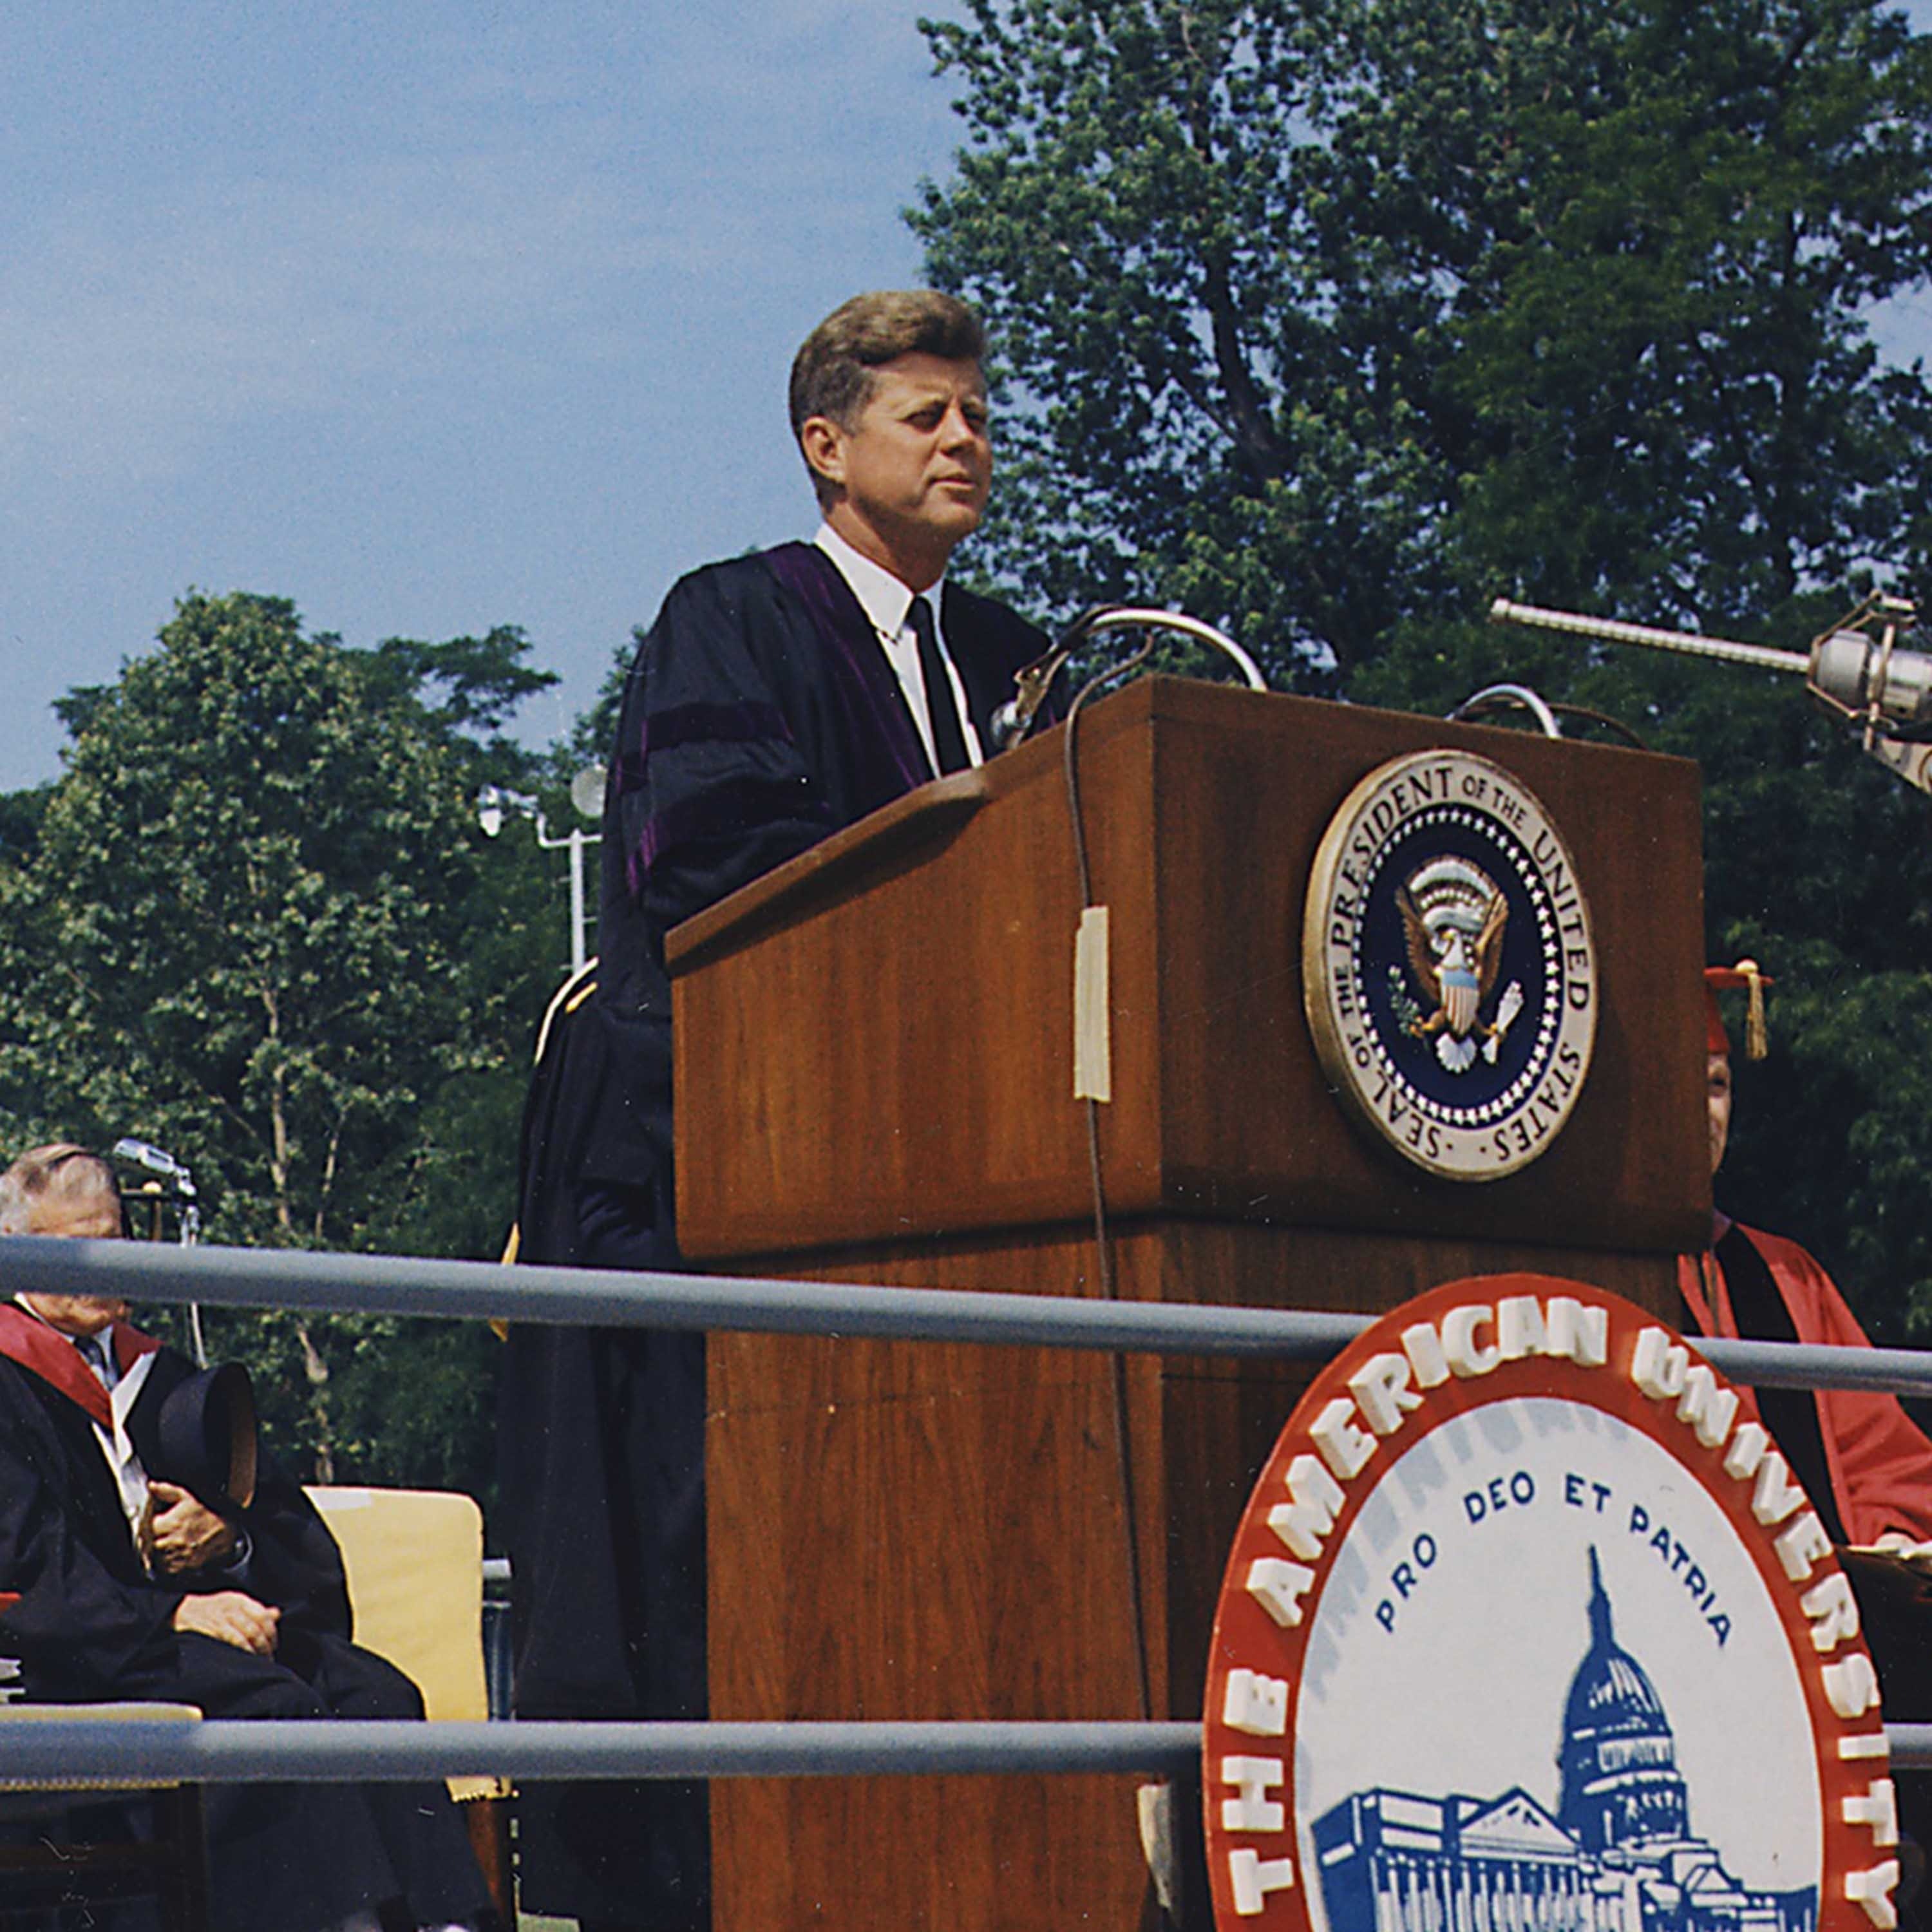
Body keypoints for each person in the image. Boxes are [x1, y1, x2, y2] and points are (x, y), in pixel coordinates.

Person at [498, 290, 1053, 1931]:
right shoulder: (733, 621)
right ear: (825, 445)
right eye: (924, 416)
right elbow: (720, 877)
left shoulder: (1007, 655)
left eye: (976, 415)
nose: (965, 441)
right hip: (717, 1165)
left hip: (948, 1177)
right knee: (707, 1563)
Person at [0, 1143, 489, 1932]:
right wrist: (174, 1613)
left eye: (113, 1242)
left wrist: (229, 1544)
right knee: (275, 1707)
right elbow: (26, 1564)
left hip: (188, 1645)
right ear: (18, 1251)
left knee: (374, 1691)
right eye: (72, 1249)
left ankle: (448, 1923)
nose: (101, 1268)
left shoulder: (162, 1376)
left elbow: (292, 1535)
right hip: (78, 1654)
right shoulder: (6, 1379)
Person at [1678, 962, 1932, 1546]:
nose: (1705, 1111)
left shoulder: (1785, 1276)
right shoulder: (1592, 1277)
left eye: (1716, 1085)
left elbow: (1885, 1461)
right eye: (1681, 1087)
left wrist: (1890, 1537)